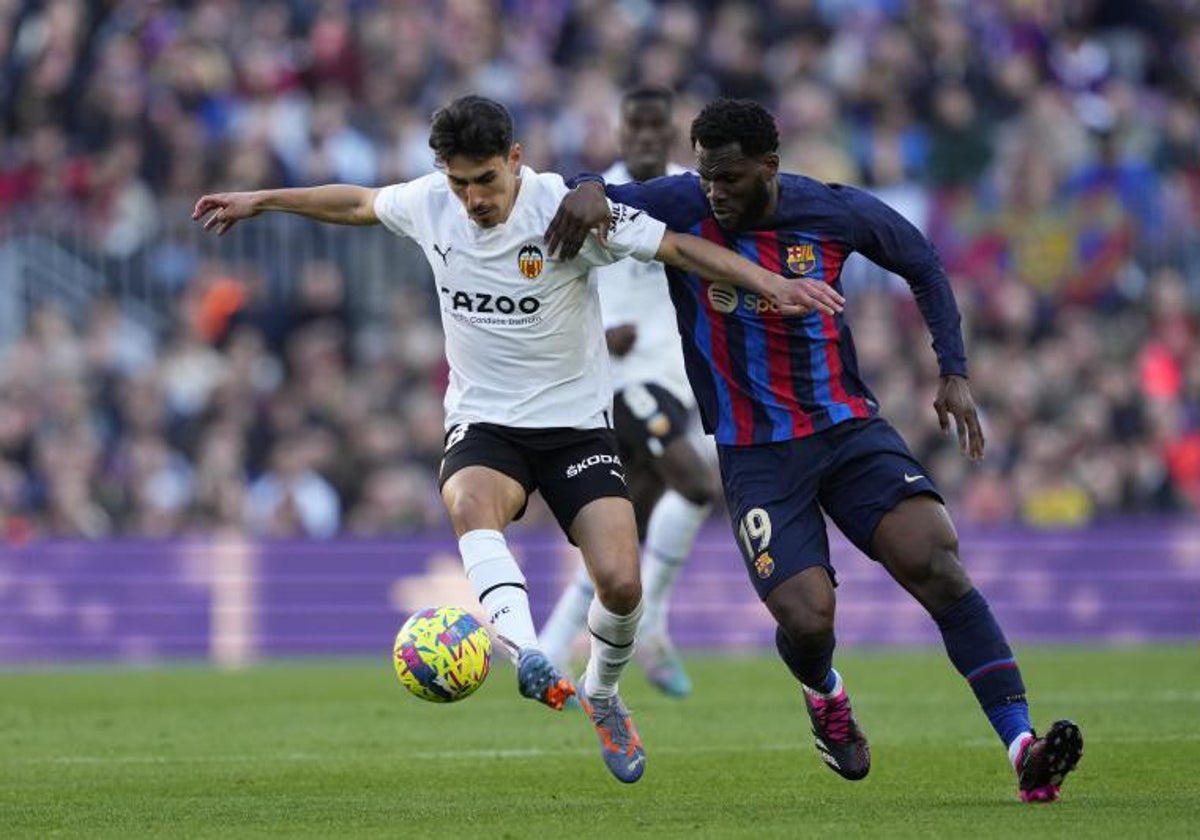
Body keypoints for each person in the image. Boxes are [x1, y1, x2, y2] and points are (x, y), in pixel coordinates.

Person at [193, 95, 844, 784]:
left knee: (622, 588)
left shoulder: (566, 210)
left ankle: (601, 695)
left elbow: (678, 248)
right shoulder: (429, 204)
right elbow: (356, 204)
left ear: (515, 160)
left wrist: (773, 283)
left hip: (574, 429)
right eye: (459, 183)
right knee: (470, 504)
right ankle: (530, 654)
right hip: (486, 422)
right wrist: (261, 199)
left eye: (486, 181)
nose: (473, 199)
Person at [544, 98, 1083, 802]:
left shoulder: (831, 210)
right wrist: (587, 183)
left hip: (847, 430)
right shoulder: (683, 199)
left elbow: (921, 259)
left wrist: (952, 369)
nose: (715, 192)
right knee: (807, 619)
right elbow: (592, 191)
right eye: (708, 176)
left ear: (769, 167)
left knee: (937, 561)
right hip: (755, 451)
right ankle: (825, 694)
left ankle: (1022, 747)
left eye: (731, 178)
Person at [540, 86, 720, 699]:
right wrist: (589, 332)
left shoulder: (693, 196)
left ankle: (549, 647)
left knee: (624, 530)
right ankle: (654, 624)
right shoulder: (590, 198)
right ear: (618, 133)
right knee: (695, 484)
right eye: (634, 127)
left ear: (672, 133)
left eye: (655, 127)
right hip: (620, 382)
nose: (644, 137)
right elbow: (549, 279)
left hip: (675, 377)